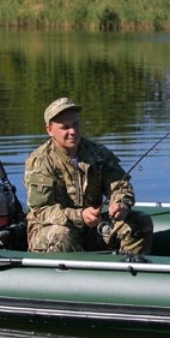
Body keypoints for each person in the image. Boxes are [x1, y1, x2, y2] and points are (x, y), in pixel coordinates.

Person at [24, 96, 153, 255]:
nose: (73, 131)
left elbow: (120, 186)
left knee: (140, 222)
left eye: (76, 124)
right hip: (51, 230)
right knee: (61, 235)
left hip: (92, 228)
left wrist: (120, 203)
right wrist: (79, 215)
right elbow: (41, 210)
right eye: (65, 127)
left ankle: (128, 271)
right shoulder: (39, 162)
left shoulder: (98, 153)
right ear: (49, 130)